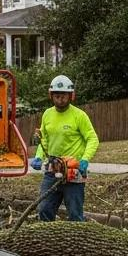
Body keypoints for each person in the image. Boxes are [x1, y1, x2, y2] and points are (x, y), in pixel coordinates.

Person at [30, 75, 99, 222]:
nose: (60, 99)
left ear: (71, 96)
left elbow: (92, 139)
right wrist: (38, 156)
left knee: (75, 213)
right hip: (52, 168)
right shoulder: (47, 114)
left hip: (74, 169)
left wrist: (85, 160)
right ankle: (48, 239)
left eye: (63, 96)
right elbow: (44, 139)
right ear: (51, 96)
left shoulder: (79, 116)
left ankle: (76, 241)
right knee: (44, 209)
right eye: (57, 96)